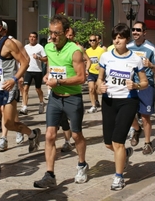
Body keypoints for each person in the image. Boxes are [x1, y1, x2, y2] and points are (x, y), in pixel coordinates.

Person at [0, 15, 41, 174]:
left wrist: (14, 79)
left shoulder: (8, 44)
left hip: (8, 88)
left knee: (8, 124)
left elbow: (25, 62)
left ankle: (32, 134)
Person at [34, 14, 88, 188]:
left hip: (73, 98)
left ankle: (81, 165)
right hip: (55, 98)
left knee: (75, 134)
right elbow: (51, 66)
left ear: (66, 32)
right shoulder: (49, 47)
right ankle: (49, 174)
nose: (53, 36)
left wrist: (59, 81)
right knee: (49, 135)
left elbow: (81, 78)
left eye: (57, 33)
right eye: (51, 33)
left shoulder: (75, 51)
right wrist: (48, 75)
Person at [97, 23, 148, 190]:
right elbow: (99, 79)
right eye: (114, 37)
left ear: (126, 39)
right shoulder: (105, 57)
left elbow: (145, 82)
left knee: (118, 141)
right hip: (109, 100)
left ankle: (118, 177)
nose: (117, 40)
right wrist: (100, 87)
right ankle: (125, 154)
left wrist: (136, 86)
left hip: (128, 101)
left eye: (120, 37)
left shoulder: (135, 59)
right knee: (108, 143)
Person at [127, 21, 155, 155]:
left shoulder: (151, 48)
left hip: (146, 85)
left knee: (145, 116)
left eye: (138, 30)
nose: (135, 32)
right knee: (128, 113)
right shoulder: (128, 47)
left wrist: (151, 65)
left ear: (144, 32)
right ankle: (136, 129)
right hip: (131, 84)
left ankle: (147, 143)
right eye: (133, 30)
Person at [20, 32, 47, 115]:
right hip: (28, 70)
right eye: (30, 37)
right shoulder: (26, 47)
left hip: (37, 71)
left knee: (38, 89)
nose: (32, 38)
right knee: (25, 88)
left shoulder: (40, 47)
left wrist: (38, 57)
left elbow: (45, 59)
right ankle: (24, 106)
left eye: (34, 37)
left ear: (36, 38)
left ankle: (41, 103)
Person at [85, 34, 105, 113]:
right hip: (91, 72)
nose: (92, 42)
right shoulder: (87, 51)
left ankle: (100, 102)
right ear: (89, 42)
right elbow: (86, 61)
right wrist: (86, 69)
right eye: (91, 40)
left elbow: (105, 60)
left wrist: (100, 65)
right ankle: (93, 106)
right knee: (91, 89)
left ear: (97, 41)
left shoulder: (101, 50)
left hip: (100, 73)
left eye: (94, 40)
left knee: (99, 90)